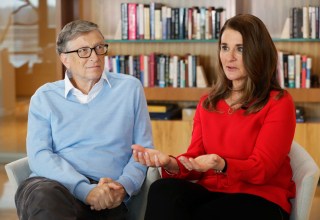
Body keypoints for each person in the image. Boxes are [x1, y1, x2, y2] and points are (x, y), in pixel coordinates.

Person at [132, 14, 296, 220]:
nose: (229, 57)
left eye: (241, 48)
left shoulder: (278, 102)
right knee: (163, 190)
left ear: (258, 53)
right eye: (225, 47)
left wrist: (222, 164)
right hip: (212, 192)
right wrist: (171, 163)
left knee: (205, 215)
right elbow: (195, 160)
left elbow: (263, 168)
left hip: (260, 198)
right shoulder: (208, 103)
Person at [15, 20, 153, 220]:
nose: (95, 57)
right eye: (83, 51)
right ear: (65, 59)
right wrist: (84, 190)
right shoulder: (44, 96)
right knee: (45, 198)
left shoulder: (130, 88)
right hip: (53, 187)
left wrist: (123, 187)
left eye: (99, 47)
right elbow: (39, 154)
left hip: (107, 192)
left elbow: (143, 151)